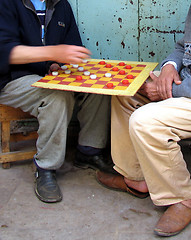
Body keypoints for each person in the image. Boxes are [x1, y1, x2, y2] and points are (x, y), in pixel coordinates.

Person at [96, 0, 191, 237]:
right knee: (126, 94)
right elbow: (184, 47)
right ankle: (137, 179)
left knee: (146, 121)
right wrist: (169, 67)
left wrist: (168, 91)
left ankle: (185, 199)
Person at [0, 0, 113, 203]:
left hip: (47, 74)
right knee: (56, 95)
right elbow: (5, 52)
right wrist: (53, 52)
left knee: (99, 88)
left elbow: (73, 47)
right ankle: (45, 168)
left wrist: (57, 63)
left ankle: (89, 151)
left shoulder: (61, 5)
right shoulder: (7, 3)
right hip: (12, 79)